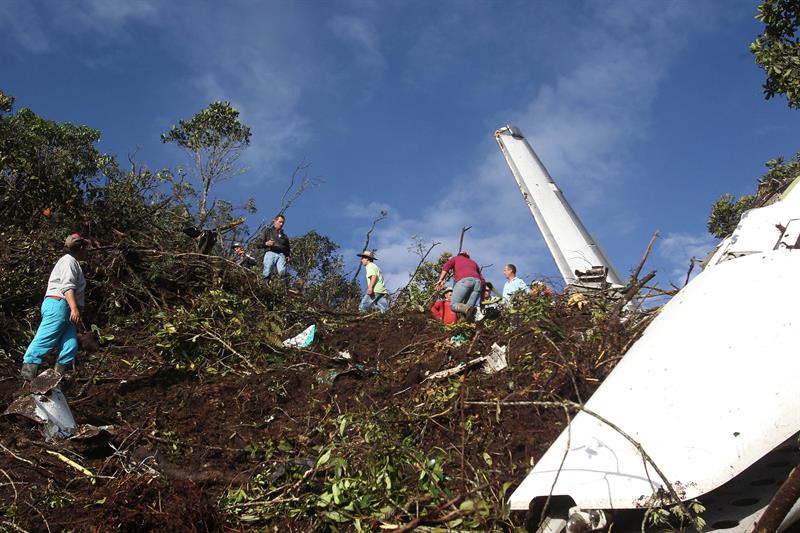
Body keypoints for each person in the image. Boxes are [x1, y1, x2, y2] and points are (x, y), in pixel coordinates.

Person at [21, 233, 91, 380]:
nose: (87, 251)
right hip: (59, 304)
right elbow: (67, 286)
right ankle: (28, 372)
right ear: (81, 247)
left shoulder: (73, 262)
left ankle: (57, 377)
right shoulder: (68, 261)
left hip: (65, 308)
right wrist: (74, 308)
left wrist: (73, 309)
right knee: (45, 338)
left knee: (70, 345)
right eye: (86, 247)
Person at [434, 251, 484, 321]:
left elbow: (446, 266)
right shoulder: (473, 262)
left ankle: (475, 311)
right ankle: (463, 327)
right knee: (467, 313)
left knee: (454, 305)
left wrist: (441, 279)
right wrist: (482, 299)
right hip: (478, 284)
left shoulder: (455, 258)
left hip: (465, 281)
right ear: (467, 256)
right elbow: (482, 280)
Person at [257, 214, 291, 280]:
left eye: (283, 223)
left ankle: (284, 286)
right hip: (270, 252)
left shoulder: (284, 236)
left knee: (282, 272)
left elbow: (287, 248)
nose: (281, 224)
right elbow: (258, 244)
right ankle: (265, 283)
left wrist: (288, 256)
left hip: (281, 255)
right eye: (280, 222)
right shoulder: (268, 231)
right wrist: (266, 243)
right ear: (275, 221)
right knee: (267, 269)